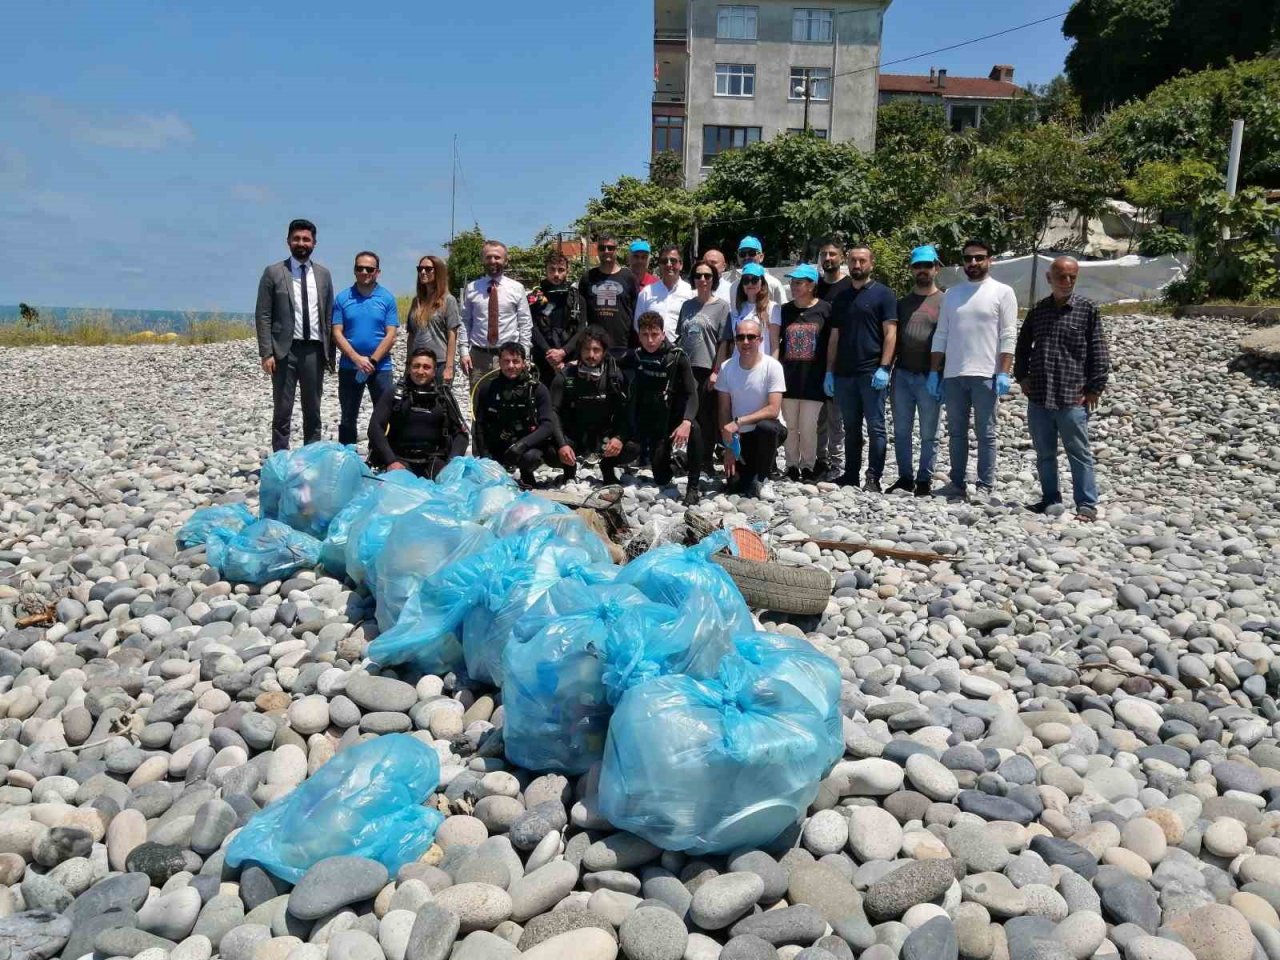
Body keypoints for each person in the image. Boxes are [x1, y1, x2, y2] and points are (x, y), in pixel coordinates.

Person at [1014, 256, 1110, 521]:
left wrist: (1095, 388)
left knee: (1078, 453)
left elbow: (1098, 351)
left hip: (1073, 397)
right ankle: (1049, 498)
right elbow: (1022, 347)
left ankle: (1087, 505)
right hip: (1040, 397)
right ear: (1049, 278)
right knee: (1045, 454)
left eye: (1072, 277)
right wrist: (1022, 377)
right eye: (1061, 277)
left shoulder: (1087, 309)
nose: (1067, 282)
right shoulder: (1038, 310)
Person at [928, 239, 1018, 500]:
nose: (973, 263)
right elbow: (941, 335)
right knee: (956, 433)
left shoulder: (1003, 292)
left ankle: (985, 485)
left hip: (986, 375)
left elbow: (1008, 334)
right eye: (968, 258)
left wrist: (1003, 371)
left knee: (986, 432)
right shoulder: (953, 295)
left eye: (979, 257)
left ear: (990, 259)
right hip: (954, 375)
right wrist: (935, 372)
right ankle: (956, 483)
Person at [255, 218, 334, 451]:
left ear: (314, 243)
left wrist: (331, 354)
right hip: (283, 352)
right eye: (296, 238)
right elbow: (263, 315)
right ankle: (281, 460)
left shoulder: (323, 275)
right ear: (288, 241)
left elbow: (328, 315)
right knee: (282, 410)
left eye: (306, 239)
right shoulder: (273, 273)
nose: (301, 243)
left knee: (313, 410)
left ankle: (311, 459)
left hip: (314, 351)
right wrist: (266, 352)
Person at [826, 243, 898, 491]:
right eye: (853, 260)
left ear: (871, 264)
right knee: (851, 427)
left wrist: (885, 367)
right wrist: (829, 371)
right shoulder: (841, 297)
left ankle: (873, 477)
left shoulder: (884, 294)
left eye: (862, 261)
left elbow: (891, 333)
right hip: (845, 374)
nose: (857, 265)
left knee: (877, 427)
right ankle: (851, 474)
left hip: (871, 372)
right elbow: (834, 336)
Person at [624, 312, 702, 504]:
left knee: (695, 429)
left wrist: (686, 421)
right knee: (661, 477)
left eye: (655, 335)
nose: (650, 341)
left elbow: (692, 394)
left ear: (663, 333)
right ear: (639, 335)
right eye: (645, 335)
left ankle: (693, 485)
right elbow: (609, 356)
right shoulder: (637, 356)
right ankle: (678, 462)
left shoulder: (677, 357)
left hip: (675, 418)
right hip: (654, 422)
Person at [889, 246, 946, 497]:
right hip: (901, 374)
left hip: (930, 376)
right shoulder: (901, 303)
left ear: (936, 268)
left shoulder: (946, 301)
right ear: (912, 269)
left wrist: (940, 373)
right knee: (901, 431)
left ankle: (924, 479)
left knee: (928, 433)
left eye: (927, 265)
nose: (922, 270)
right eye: (917, 266)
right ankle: (905, 477)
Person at [549, 327, 637, 485]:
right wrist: (562, 444)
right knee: (549, 452)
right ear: (579, 351)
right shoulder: (565, 376)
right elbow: (552, 412)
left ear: (604, 352)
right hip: (575, 435)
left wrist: (619, 438)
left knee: (633, 447)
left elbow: (626, 411)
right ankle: (569, 471)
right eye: (586, 350)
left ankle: (607, 467)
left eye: (596, 350)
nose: (591, 355)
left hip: (603, 435)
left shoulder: (615, 377)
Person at [367, 348, 468, 478]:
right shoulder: (395, 394)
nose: (420, 371)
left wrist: (452, 463)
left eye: (426, 367)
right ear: (409, 368)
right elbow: (375, 428)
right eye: (416, 366)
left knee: (449, 488)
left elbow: (461, 435)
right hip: (400, 460)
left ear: (434, 371)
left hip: (434, 461)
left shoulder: (444, 397)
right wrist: (390, 461)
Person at [332, 251, 399, 446]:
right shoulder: (343, 298)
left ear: (377, 272)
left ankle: (381, 456)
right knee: (347, 417)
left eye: (369, 269)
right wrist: (357, 359)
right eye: (359, 268)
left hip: (381, 368)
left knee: (385, 415)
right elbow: (337, 332)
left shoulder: (387, 298)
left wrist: (372, 361)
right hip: (349, 366)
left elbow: (391, 334)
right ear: (354, 270)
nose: (364, 272)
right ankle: (347, 458)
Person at [718, 317, 787, 500]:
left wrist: (738, 422)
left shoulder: (773, 366)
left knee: (767, 427)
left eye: (751, 337)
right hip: (739, 437)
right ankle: (754, 473)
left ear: (760, 339)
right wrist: (729, 446)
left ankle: (764, 478)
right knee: (735, 486)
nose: (745, 342)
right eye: (740, 337)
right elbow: (724, 410)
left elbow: (773, 409)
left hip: (766, 431)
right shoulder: (726, 368)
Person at [473, 342, 557, 488]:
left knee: (531, 458)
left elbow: (548, 425)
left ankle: (527, 474)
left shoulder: (537, 389)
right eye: (506, 361)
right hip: (499, 444)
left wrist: (521, 445)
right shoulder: (488, 388)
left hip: (527, 445)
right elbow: (480, 424)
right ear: (499, 362)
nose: (511, 366)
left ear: (524, 363)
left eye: (516, 361)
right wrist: (484, 455)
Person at [777, 265, 832, 482]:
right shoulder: (784, 310)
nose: (794, 287)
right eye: (793, 282)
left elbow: (831, 343)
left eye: (799, 283)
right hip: (789, 377)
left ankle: (808, 465)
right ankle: (791, 465)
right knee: (790, 426)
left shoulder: (825, 310)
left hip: (814, 379)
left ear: (811, 285)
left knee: (809, 427)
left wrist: (830, 372)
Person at [677, 261, 732, 479]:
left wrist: (716, 371)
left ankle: (706, 461)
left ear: (714, 280)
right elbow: (681, 336)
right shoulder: (687, 306)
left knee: (707, 418)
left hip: (707, 368)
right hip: (686, 367)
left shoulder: (722, 307)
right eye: (698, 275)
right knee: (690, 416)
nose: (703, 280)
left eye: (707, 276)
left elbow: (724, 343)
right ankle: (692, 459)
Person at [460, 240, 532, 389]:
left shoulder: (517, 288)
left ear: (505, 260)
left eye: (497, 257)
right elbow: (465, 321)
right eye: (488, 257)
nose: (493, 261)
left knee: (508, 399)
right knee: (477, 401)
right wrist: (463, 352)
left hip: (509, 356)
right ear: (483, 260)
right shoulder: (472, 288)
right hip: (478, 355)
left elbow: (525, 323)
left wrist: (524, 354)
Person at [813, 237, 849, 481]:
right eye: (824, 254)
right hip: (815, 360)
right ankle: (819, 460)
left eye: (832, 254)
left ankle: (837, 462)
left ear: (841, 257)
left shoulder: (848, 286)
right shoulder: (814, 285)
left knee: (837, 418)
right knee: (817, 418)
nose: (828, 258)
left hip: (840, 361)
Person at [527, 252, 585, 384]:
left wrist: (563, 352)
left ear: (567, 271)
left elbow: (581, 329)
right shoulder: (534, 298)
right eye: (552, 270)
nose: (556, 274)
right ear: (545, 270)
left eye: (561, 270)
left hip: (569, 359)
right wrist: (550, 354)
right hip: (543, 358)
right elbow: (531, 327)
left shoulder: (577, 298)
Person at [579, 233, 639, 358]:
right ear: (597, 251)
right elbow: (582, 317)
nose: (606, 251)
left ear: (616, 250)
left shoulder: (629, 278)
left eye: (610, 248)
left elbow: (635, 313)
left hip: (624, 347)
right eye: (602, 248)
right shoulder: (587, 278)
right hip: (595, 349)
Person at [405, 255, 460, 387]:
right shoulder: (416, 301)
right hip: (417, 362)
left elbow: (452, 335)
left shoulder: (448, 301)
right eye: (420, 269)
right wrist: (408, 363)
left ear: (438, 272)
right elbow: (411, 335)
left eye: (428, 269)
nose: (423, 272)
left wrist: (449, 367)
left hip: (439, 363)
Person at [721, 262, 781, 364]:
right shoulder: (736, 309)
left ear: (762, 282)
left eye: (754, 280)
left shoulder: (772, 308)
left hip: (761, 365)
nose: (750, 284)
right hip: (738, 365)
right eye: (746, 280)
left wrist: (772, 367)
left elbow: (774, 343)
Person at [634, 245, 693, 343]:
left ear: (681, 264)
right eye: (664, 261)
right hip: (653, 350)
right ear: (660, 265)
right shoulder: (647, 292)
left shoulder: (690, 292)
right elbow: (638, 324)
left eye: (673, 261)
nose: (669, 264)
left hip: (681, 350)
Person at [728, 235, 788, 306]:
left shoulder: (773, 284)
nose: (747, 257)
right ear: (738, 257)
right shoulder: (734, 287)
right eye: (742, 254)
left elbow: (783, 312)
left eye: (752, 253)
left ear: (761, 257)